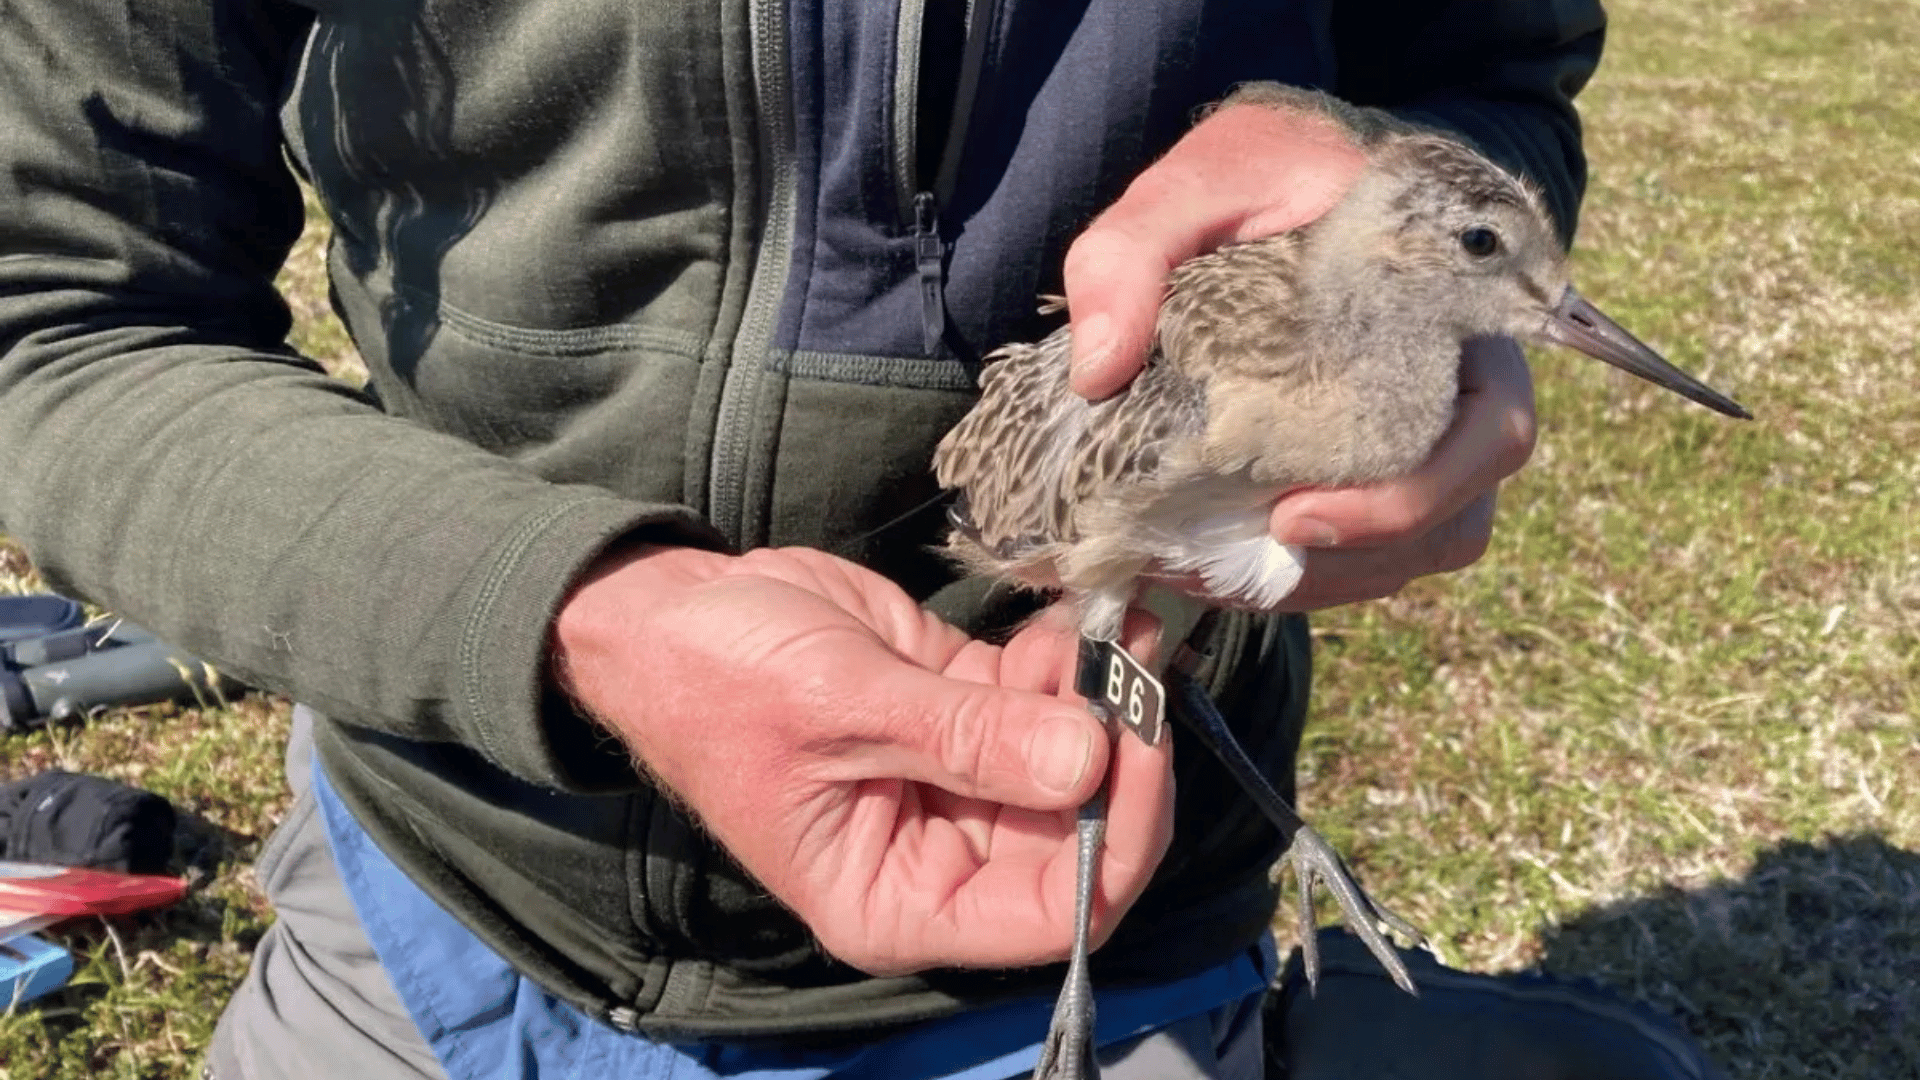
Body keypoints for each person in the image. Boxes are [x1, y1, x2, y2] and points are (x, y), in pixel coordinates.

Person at [0, 1, 1720, 1077]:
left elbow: (1483, 76)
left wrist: (1396, 192)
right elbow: (56, 319)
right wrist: (576, 618)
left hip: (1089, 927)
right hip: (437, 890)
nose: (1578, 331)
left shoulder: (1356, 306)